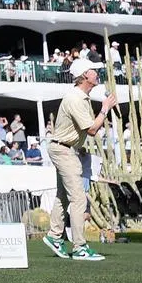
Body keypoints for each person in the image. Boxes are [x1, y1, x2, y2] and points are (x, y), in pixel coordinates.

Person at [43, 58, 117, 262]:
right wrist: (105, 108)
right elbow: (92, 129)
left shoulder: (80, 97)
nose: (97, 73)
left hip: (64, 148)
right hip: (64, 150)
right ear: (85, 76)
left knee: (63, 196)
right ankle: (79, 247)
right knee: (78, 198)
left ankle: (54, 236)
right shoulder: (76, 98)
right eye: (94, 70)